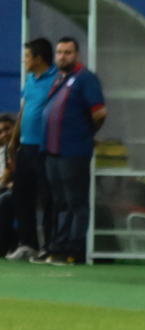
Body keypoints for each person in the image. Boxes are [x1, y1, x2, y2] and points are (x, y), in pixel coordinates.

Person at [32, 37, 106, 266]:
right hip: (53, 152)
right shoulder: (61, 78)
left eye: (68, 52)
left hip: (73, 152)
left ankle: (74, 251)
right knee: (61, 203)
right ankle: (58, 248)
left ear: (77, 55)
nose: (62, 56)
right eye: (59, 52)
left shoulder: (86, 78)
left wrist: (85, 134)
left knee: (76, 203)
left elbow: (99, 113)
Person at [6, 38, 57, 262]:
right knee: (21, 195)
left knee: (48, 199)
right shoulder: (30, 79)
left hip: (46, 149)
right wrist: (13, 141)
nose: (24, 60)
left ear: (38, 58)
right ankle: (28, 244)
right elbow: (24, 109)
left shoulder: (57, 79)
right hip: (25, 148)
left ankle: (50, 246)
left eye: (27, 56)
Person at [0, 113, 16, 255]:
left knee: (4, 201)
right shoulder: (5, 151)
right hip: (4, 189)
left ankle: (3, 246)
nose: (4, 134)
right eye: (0, 132)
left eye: (7, 129)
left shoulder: (23, 149)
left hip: (22, 191)